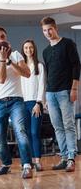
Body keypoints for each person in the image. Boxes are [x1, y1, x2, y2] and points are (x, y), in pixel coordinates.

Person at [0, 26, 33, 179]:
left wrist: (10, 61)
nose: (0, 40)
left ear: (6, 39)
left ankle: (26, 165)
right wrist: (3, 60)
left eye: (2, 37)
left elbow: (27, 73)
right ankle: (6, 164)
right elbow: (0, 79)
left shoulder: (17, 54)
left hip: (17, 101)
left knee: (20, 131)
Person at [40, 16, 81, 172]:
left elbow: (76, 66)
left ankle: (71, 158)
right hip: (51, 93)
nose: (48, 33)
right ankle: (64, 157)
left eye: (50, 29)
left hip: (65, 91)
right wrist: (45, 97)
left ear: (55, 28)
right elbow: (49, 74)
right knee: (57, 127)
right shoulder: (46, 51)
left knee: (68, 125)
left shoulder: (68, 44)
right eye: (44, 30)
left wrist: (74, 88)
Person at [21, 39, 45, 171]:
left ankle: (38, 161)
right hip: (22, 104)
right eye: (26, 48)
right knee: (27, 133)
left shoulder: (39, 66)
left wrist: (38, 102)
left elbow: (42, 85)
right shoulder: (21, 66)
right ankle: (28, 162)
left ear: (34, 49)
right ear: (23, 50)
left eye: (30, 47)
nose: (28, 50)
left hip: (35, 103)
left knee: (35, 132)